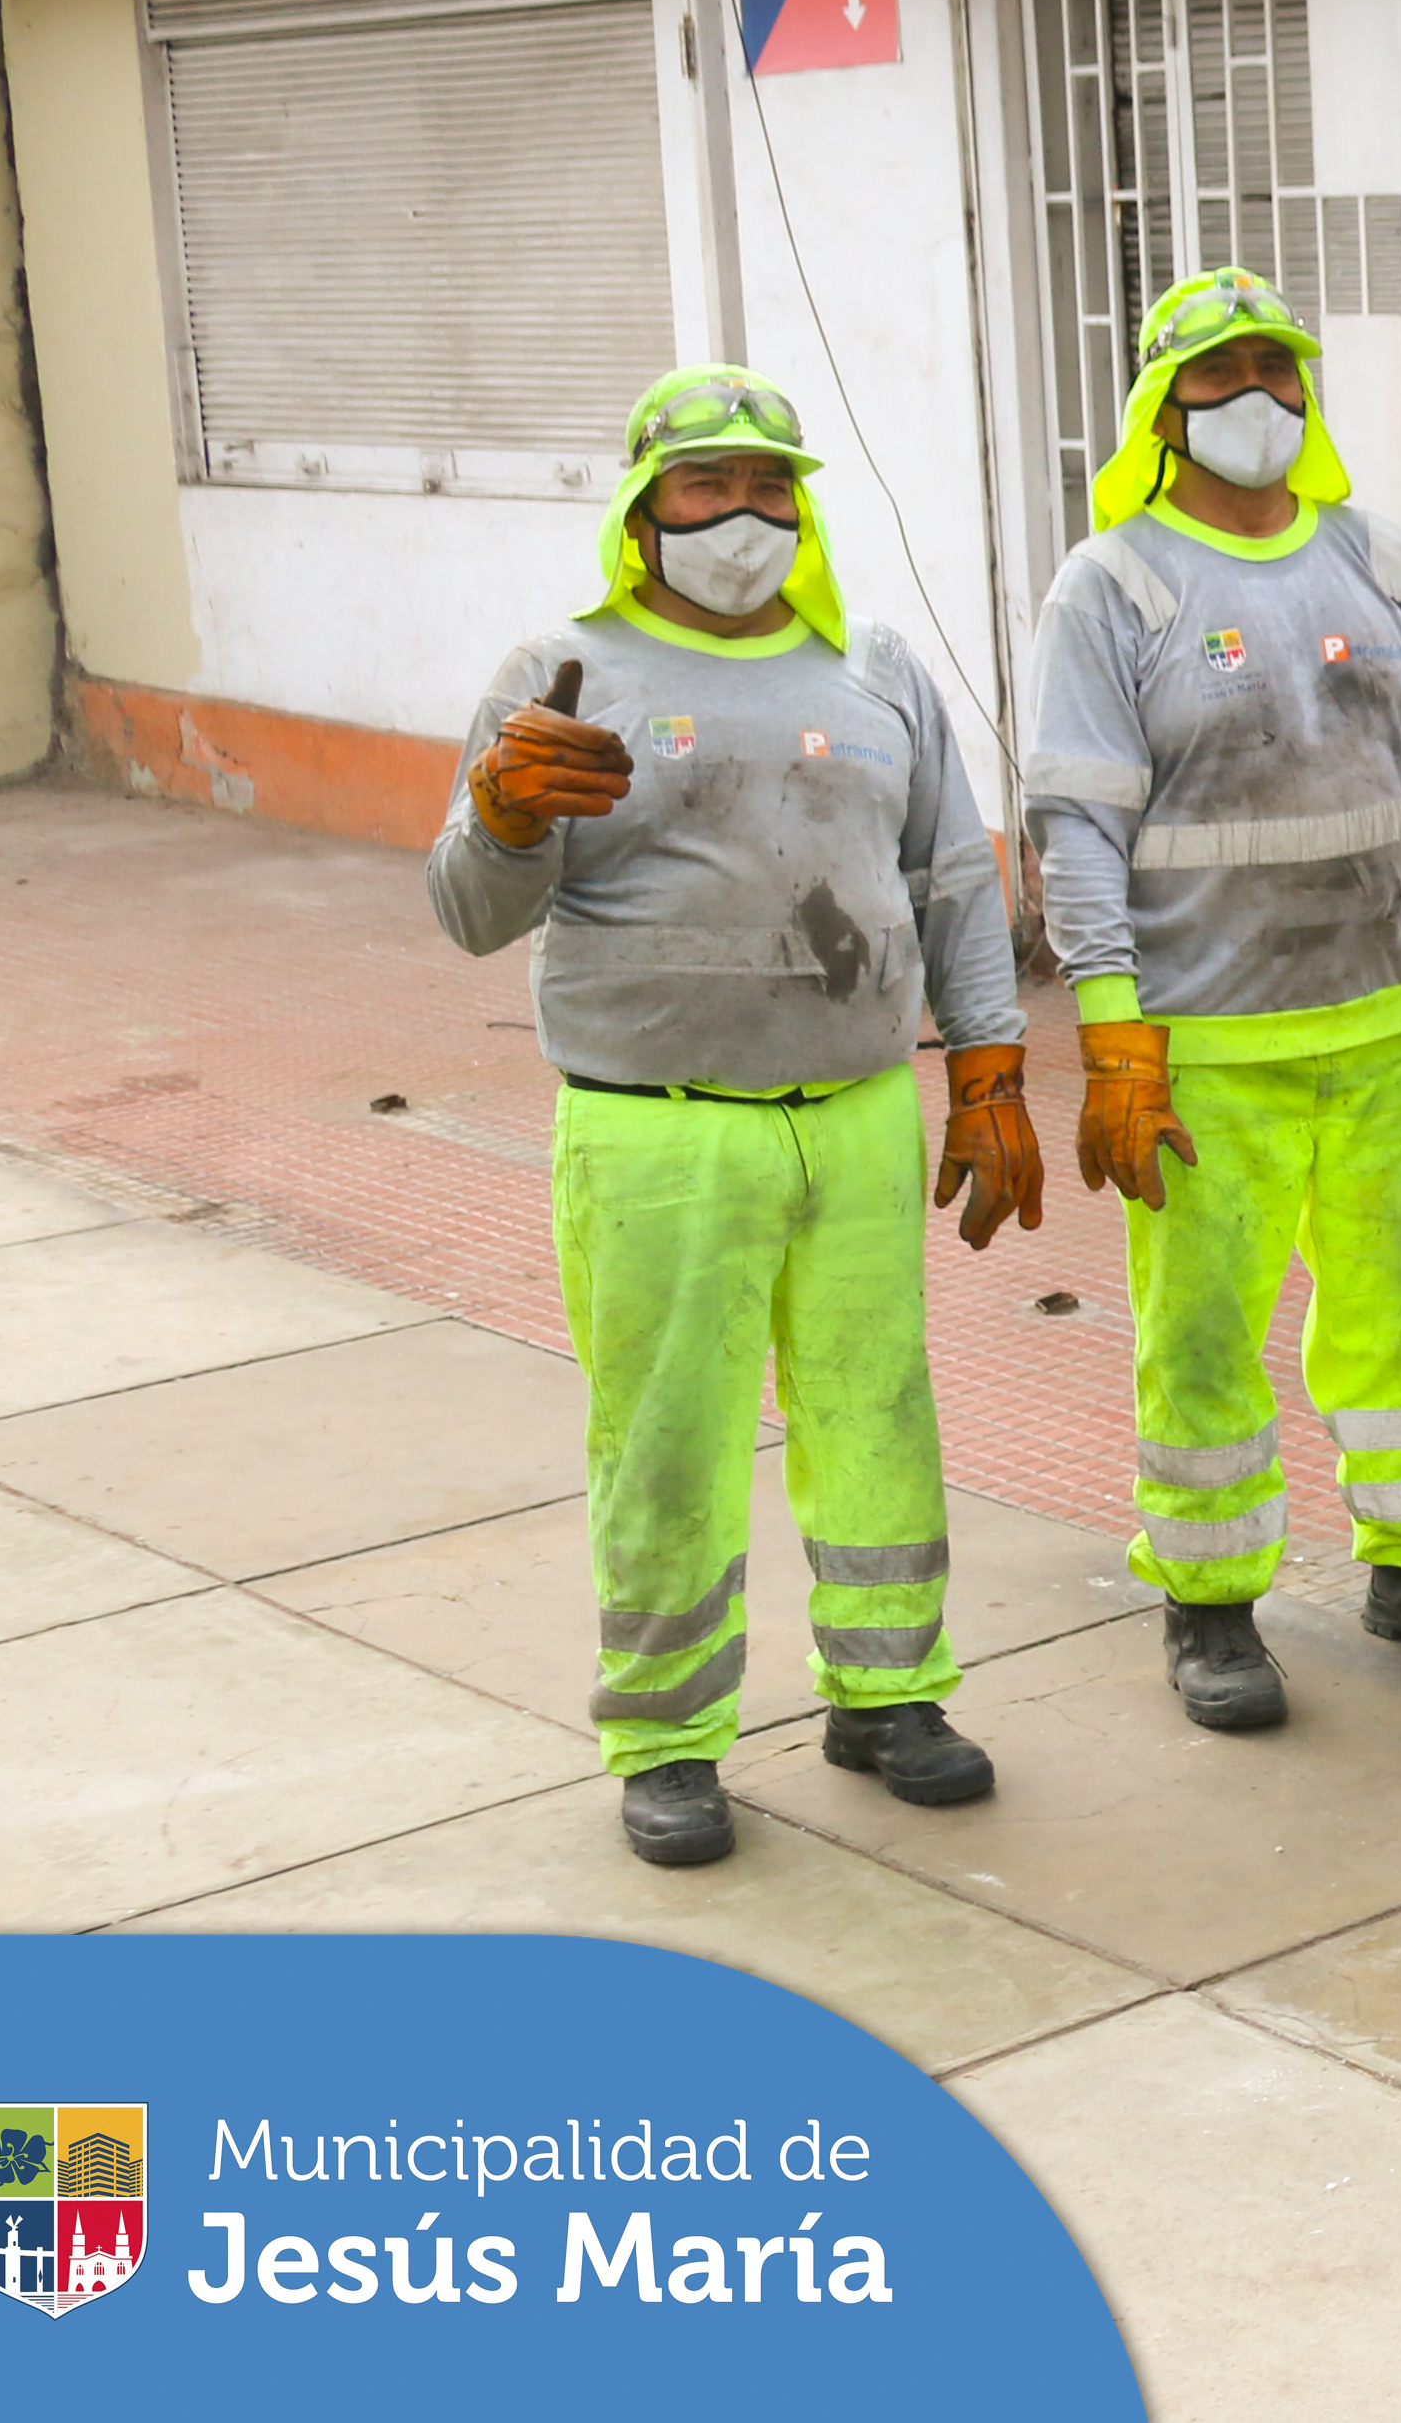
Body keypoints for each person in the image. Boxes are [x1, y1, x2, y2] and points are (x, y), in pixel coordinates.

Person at [430, 365, 1036, 1867]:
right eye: (707, 486)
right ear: (643, 515)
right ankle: (667, 1735)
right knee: (668, 1438)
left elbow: (951, 876)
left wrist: (992, 1067)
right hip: (655, 1125)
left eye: (773, 484)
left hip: (852, 1108)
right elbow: (466, 911)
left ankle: (888, 1693)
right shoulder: (561, 670)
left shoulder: (874, 667)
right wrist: (507, 815)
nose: (745, 514)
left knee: (873, 1408)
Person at [1023, 270, 1401, 1734]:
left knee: (1399, 1316)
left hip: (1372, 1019)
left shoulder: (1377, 559)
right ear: (1161, 409)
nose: (1252, 394)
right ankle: (1210, 1602)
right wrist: (1115, 1038)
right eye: (1217, 373)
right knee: (1196, 1335)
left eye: (1275, 366)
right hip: (1202, 1040)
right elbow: (1080, 826)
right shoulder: (1113, 583)